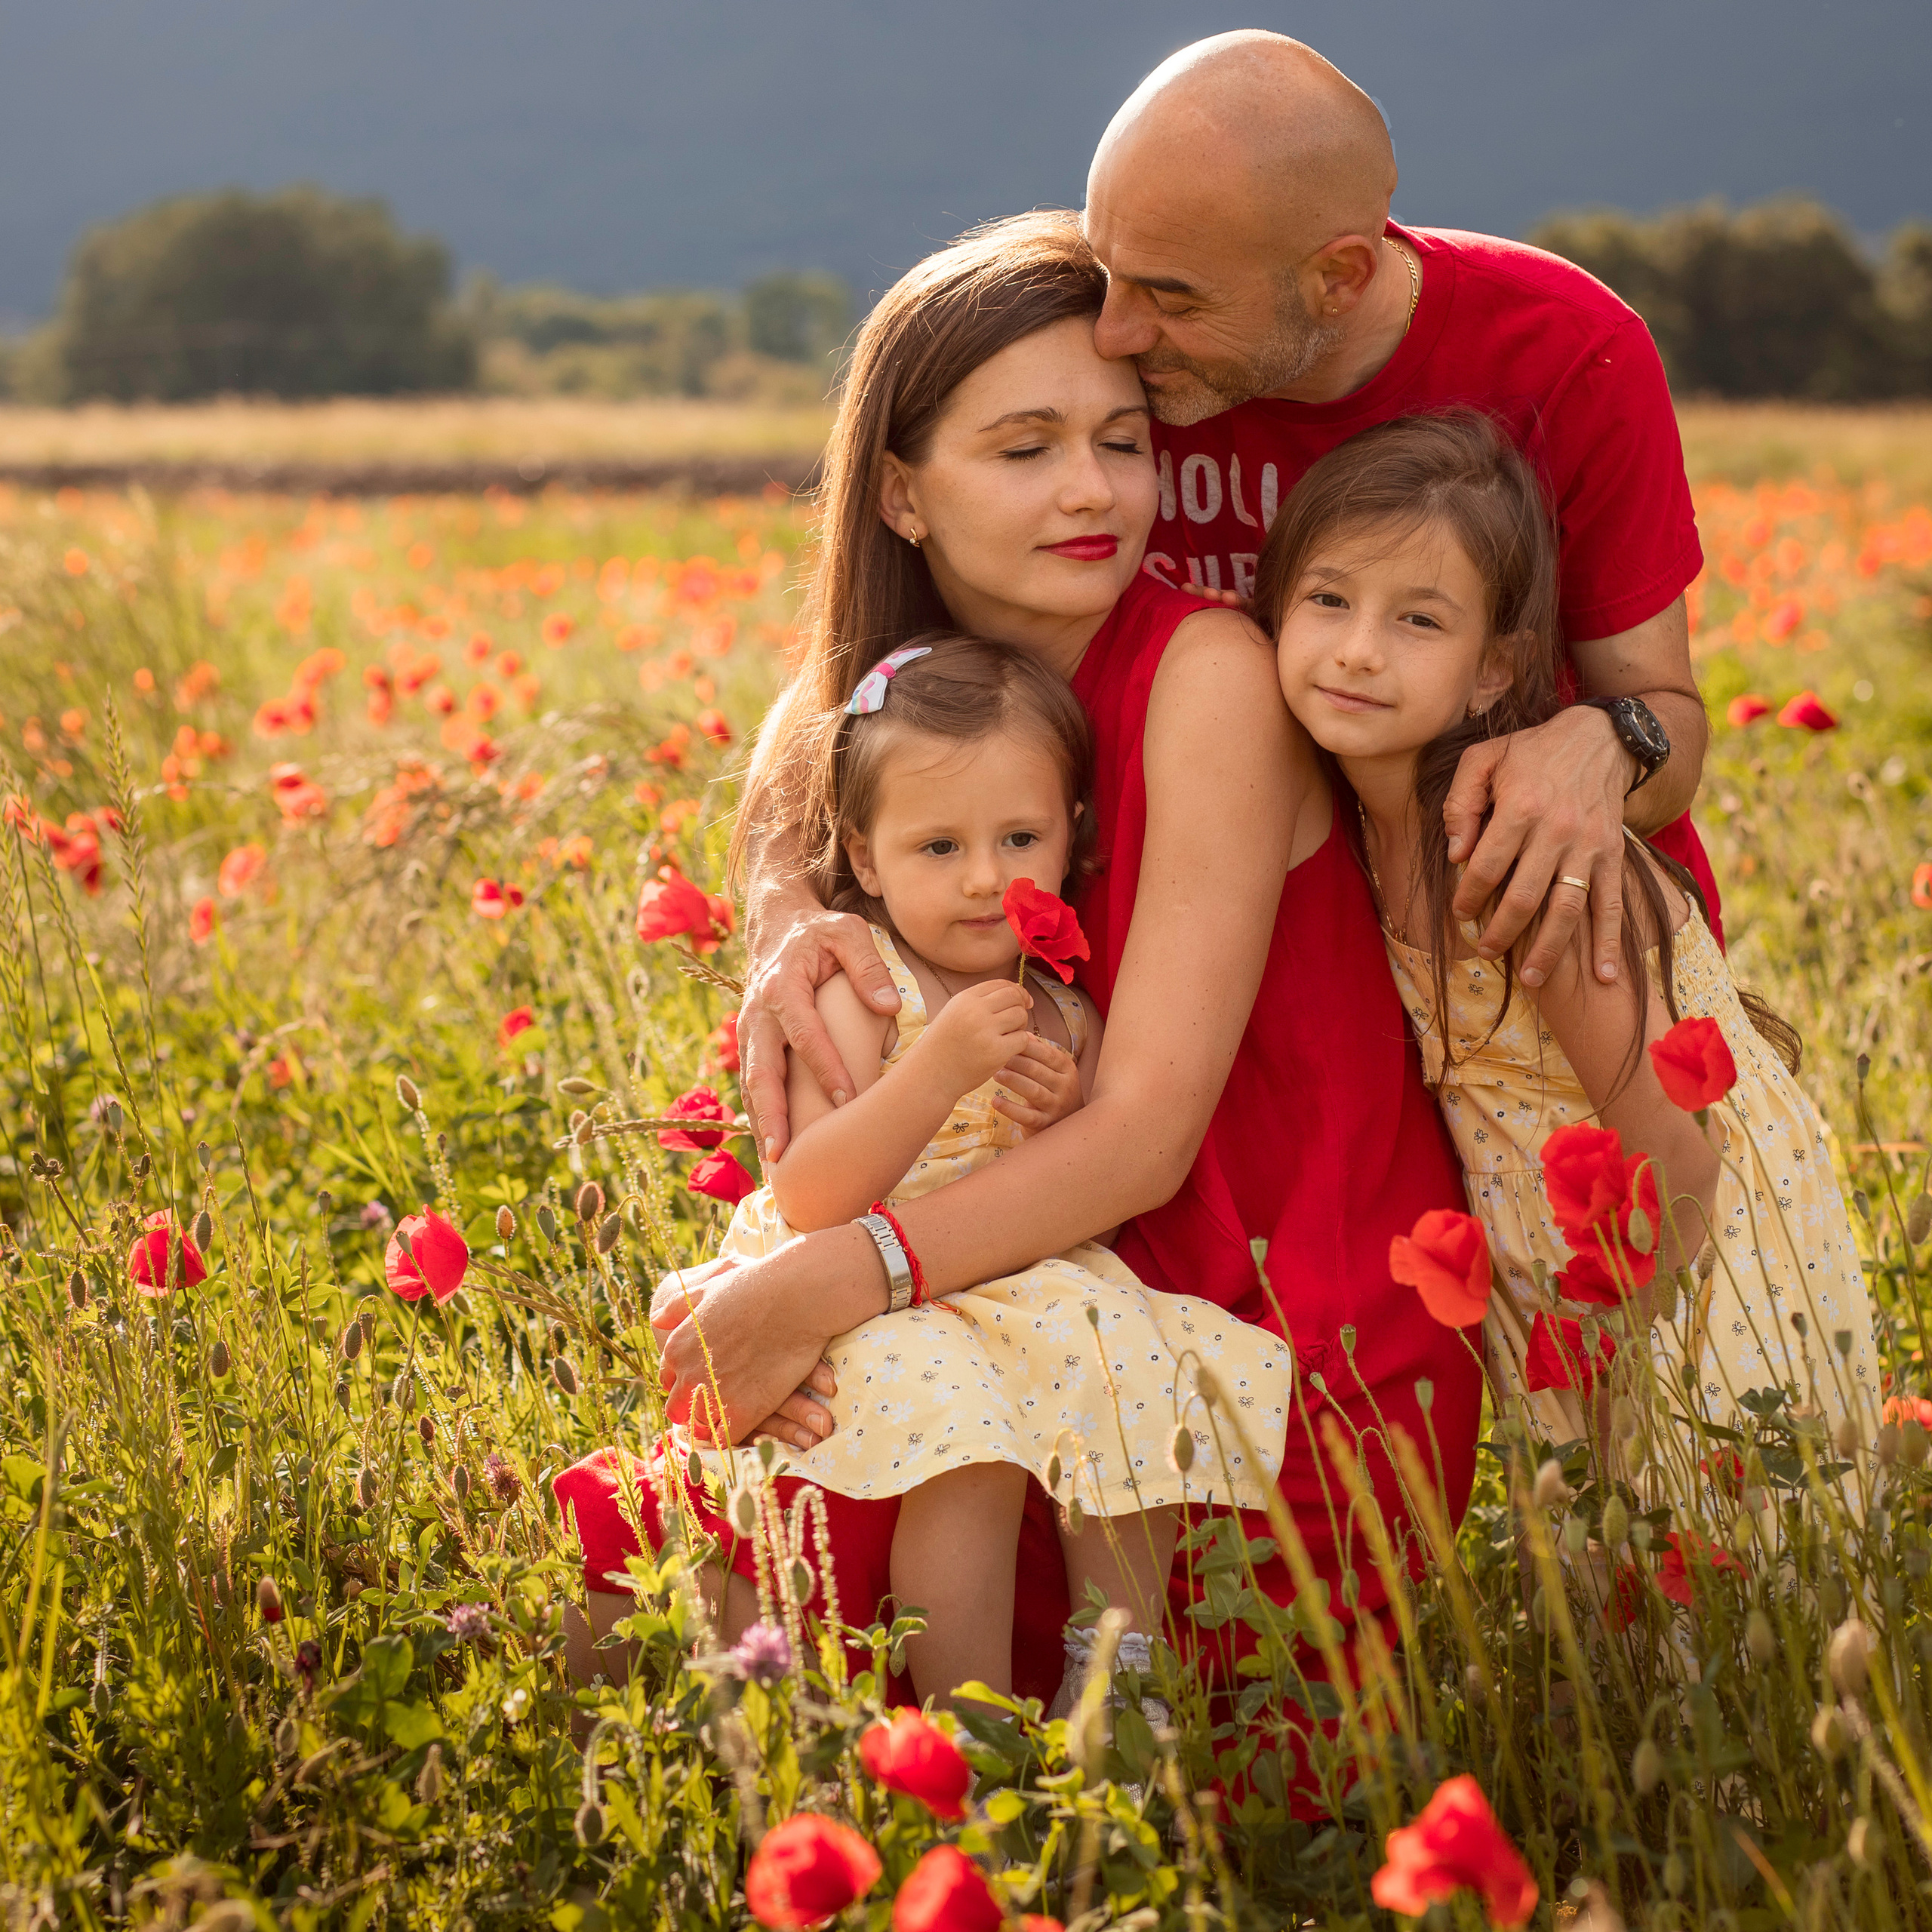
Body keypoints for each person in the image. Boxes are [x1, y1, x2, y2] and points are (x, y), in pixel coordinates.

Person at [559, 211, 1484, 1715]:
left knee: (1113, 1760)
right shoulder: (901, 689)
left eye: (1122, 440)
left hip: (1252, 1304)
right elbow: (791, 752)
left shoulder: (1206, 678)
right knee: (690, 1603)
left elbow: (1144, 1133)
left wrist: (824, 1284)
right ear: (902, 493)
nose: (1091, 488)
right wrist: (782, 902)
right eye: (1024, 446)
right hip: (1002, 1276)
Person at [661, 632, 1289, 1709]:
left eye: (1019, 838)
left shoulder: (1063, 1002)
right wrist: (937, 1071)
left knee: (1134, 1367)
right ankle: (975, 1717)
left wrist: (1061, 1103)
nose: (987, 877)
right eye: (939, 847)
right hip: (878, 1289)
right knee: (970, 1453)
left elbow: (1091, 1155)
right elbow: (811, 1193)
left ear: (1073, 839)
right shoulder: (871, 990)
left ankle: (1119, 1676)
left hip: (1012, 1275)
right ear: (864, 859)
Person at [1258, 412, 1878, 1442]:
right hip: (1558, 1271)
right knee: (1594, 1592)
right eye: (1328, 601)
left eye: (1419, 622)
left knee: (1713, 1564)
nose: (1359, 652)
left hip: (1692, 1261)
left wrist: (1624, 1349)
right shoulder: (1354, 822)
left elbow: (1677, 1156)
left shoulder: (1518, 854)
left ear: (1495, 669)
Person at [1081, 30, 1720, 998]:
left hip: (1527, 968)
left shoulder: (1567, 353)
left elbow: (1667, 728)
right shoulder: (1083, 346)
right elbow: (887, 646)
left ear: (1338, 276)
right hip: (1231, 969)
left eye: (1170, 298)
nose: (1112, 334)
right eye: (1105, 271)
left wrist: (1604, 742)